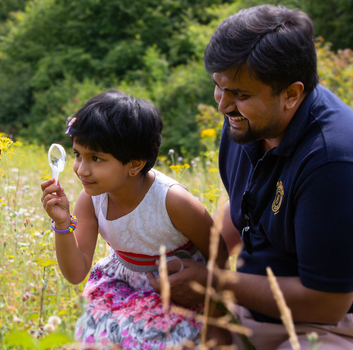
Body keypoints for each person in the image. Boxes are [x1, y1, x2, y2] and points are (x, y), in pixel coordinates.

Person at [148, 4, 353, 349]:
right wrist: (194, 259)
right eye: (219, 86)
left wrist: (214, 282)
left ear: (291, 94)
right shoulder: (248, 122)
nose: (223, 105)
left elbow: (328, 303)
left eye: (240, 94)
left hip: (322, 328)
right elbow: (244, 204)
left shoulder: (332, 163)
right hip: (246, 302)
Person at [40, 90, 228, 349]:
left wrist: (216, 312)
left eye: (96, 158)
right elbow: (75, 272)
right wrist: (62, 224)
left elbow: (218, 255)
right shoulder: (91, 200)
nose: (81, 170)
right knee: (98, 339)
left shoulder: (172, 201)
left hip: (178, 287)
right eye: (77, 155)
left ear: (135, 165)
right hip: (123, 285)